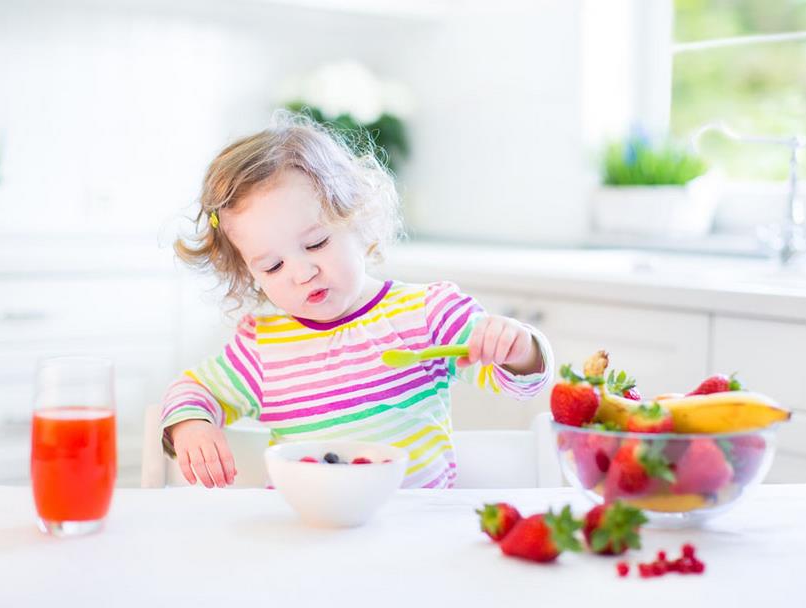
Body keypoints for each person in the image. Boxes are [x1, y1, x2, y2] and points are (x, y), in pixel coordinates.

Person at [162, 111, 553, 489]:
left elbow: (521, 382)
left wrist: (518, 348)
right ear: (250, 275)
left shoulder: (427, 313)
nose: (302, 273)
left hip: (414, 524)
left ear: (359, 217)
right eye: (273, 266)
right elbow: (192, 390)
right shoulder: (262, 347)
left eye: (316, 243)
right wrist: (191, 426)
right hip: (306, 525)